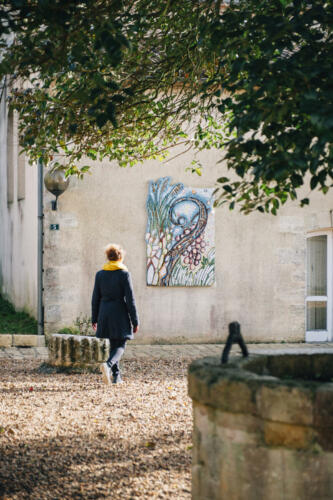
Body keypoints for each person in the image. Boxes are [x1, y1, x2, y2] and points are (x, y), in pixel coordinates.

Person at [91, 243, 139, 384]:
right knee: (121, 344)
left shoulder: (100, 274)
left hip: (104, 312)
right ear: (120, 257)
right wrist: (135, 321)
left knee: (113, 344)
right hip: (119, 312)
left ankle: (116, 376)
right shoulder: (124, 274)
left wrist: (94, 318)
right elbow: (130, 299)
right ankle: (108, 364)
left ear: (108, 257)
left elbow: (95, 298)